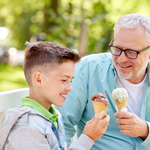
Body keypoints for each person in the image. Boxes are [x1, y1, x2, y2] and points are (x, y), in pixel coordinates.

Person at [56, 13, 150, 150]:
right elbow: (63, 125)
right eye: (117, 49)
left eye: (131, 52)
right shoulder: (87, 69)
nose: (121, 59)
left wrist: (146, 130)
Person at [0, 42, 110, 150]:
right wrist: (88, 138)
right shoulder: (27, 129)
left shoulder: (54, 114)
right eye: (64, 80)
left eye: (71, 80)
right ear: (38, 79)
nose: (70, 87)